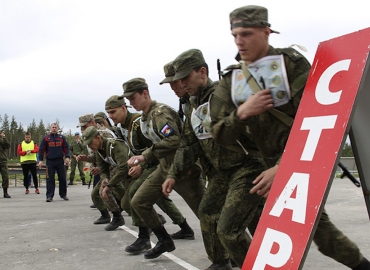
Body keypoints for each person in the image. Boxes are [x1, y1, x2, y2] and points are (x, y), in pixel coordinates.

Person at [209, 5, 370, 270]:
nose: (239, 41)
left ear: (266, 31)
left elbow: (319, 117)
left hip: (299, 158)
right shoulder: (232, 79)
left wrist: (285, 167)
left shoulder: (290, 64)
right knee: (242, 233)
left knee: (320, 233)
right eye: (235, 35)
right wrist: (242, 113)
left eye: (246, 33)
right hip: (257, 169)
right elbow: (219, 133)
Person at [163, 49, 264, 270]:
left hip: (247, 167)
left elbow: (261, 126)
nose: (181, 84)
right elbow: (188, 144)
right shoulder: (193, 105)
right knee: (207, 213)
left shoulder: (225, 93)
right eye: (178, 80)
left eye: (184, 78)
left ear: (202, 72)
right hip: (222, 173)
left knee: (229, 230)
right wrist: (173, 174)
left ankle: (258, 266)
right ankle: (220, 263)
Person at [105, 94, 194, 255]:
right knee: (148, 199)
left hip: (160, 165)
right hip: (154, 166)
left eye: (113, 112)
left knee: (135, 197)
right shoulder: (125, 127)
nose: (110, 116)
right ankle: (171, 230)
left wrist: (143, 164)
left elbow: (158, 145)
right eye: (108, 113)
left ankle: (145, 236)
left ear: (123, 109)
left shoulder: (139, 124)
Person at [123, 77, 182, 259]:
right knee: (138, 201)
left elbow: (173, 139)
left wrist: (145, 156)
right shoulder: (145, 118)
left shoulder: (159, 114)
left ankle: (227, 256)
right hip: (165, 167)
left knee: (205, 212)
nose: (131, 103)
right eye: (128, 99)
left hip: (182, 166)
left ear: (145, 93)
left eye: (133, 98)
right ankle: (164, 240)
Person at [82, 126, 128, 231]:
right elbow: (103, 167)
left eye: (90, 143)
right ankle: (117, 217)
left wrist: (109, 185)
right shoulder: (99, 150)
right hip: (120, 170)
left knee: (132, 200)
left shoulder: (113, 145)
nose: (89, 146)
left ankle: (153, 220)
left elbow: (123, 167)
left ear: (98, 138)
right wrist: (104, 179)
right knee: (106, 192)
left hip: (130, 169)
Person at [38, 123, 70, 202]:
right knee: (50, 179)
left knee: (62, 178)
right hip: (50, 161)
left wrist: (67, 157)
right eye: (53, 127)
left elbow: (66, 148)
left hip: (60, 161)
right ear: (50, 128)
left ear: (58, 128)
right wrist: (40, 160)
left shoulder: (61, 138)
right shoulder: (46, 138)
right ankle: (49, 196)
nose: (54, 129)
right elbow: (41, 150)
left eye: (56, 127)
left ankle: (63, 194)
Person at [0, 131, 11, 198]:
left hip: (2, 161)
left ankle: (5, 192)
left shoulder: (1, 139)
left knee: (5, 177)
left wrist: (4, 137)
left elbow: (7, 146)